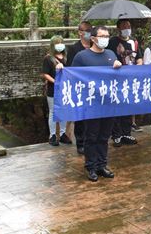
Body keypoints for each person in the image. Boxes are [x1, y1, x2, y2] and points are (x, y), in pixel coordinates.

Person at [71, 26, 122, 181]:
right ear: (93, 38)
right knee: (91, 136)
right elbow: (73, 77)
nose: (105, 38)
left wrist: (118, 67)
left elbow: (117, 79)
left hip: (108, 103)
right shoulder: (82, 56)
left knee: (104, 136)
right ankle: (91, 166)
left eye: (107, 35)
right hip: (91, 104)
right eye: (102, 35)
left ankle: (102, 164)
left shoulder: (111, 54)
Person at [107, 19, 141, 148]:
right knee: (116, 107)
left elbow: (139, 58)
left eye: (129, 26)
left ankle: (127, 133)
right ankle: (116, 135)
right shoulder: (112, 42)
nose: (127, 28)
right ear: (118, 28)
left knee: (128, 106)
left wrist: (139, 66)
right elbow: (109, 58)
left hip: (131, 79)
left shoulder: (134, 42)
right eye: (124, 26)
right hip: (116, 79)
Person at [66, 21, 93, 155]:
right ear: (80, 33)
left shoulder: (95, 46)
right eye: (86, 30)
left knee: (93, 116)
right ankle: (80, 143)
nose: (88, 32)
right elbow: (70, 68)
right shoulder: (73, 48)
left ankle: (92, 141)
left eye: (90, 30)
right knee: (81, 116)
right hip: (80, 86)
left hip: (94, 87)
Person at [41, 35, 70, 146]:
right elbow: (45, 74)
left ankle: (62, 134)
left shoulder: (66, 57)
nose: (60, 45)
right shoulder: (48, 58)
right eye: (57, 43)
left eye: (61, 42)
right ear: (53, 45)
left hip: (66, 89)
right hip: (53, 89)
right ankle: (52, 135)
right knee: (53, 112)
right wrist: (56, 81)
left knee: (64, 110)